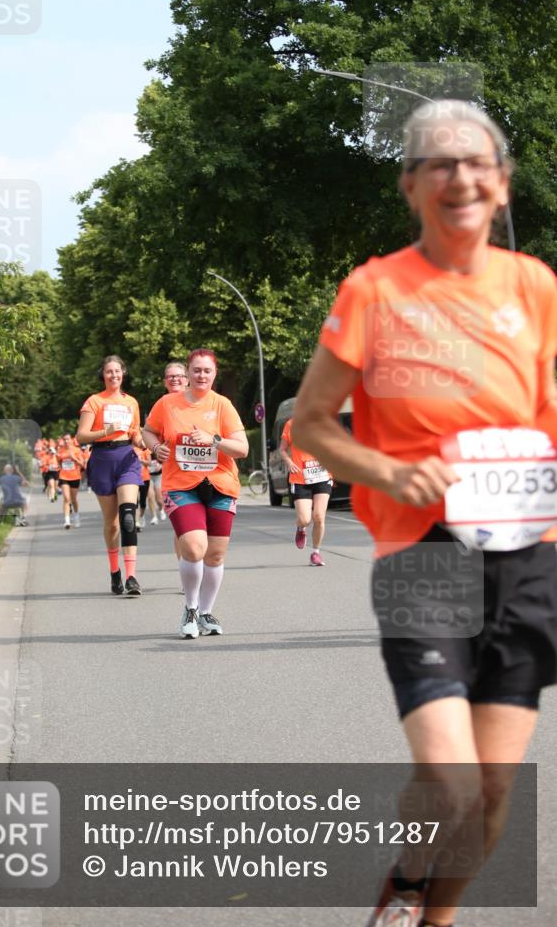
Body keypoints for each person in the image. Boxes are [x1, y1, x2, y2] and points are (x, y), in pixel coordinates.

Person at [292, 100, 557, 927]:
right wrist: (383, 472)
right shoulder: (373, 291)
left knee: (490, 802)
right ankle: (407, 884)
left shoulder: (535, 287)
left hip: (526, 558)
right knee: (450, 784)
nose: (459, 177)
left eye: (476, 162)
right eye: (437, 163)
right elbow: (305, 425)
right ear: (410, 185)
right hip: (422, 557)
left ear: (503, 183)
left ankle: (418, 915)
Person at [142, 349, 249, 638]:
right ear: (188, 373)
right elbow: (147, 431)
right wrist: (155, 448)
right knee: (193, 547)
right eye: (197, 370)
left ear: (215, 374)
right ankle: (190, 608)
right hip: (181, 484)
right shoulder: (168, 404)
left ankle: (206, 611)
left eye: (207, 371)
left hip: (221, 485)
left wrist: (214, 440)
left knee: (215, 555)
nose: (201, 375)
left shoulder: (223, 405)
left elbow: (242, 448)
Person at [77, 355, 145, 596]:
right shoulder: (94, 402)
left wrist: (142, 441)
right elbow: (81, 436)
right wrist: (104, 431)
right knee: (112, 524)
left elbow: (135, 432)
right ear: (103, 375)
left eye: (117, 371)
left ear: (123, 373)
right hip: (103, 459)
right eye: (109, 372)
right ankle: (115, 572)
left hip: (127, 457)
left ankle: (132, 577)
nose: (114, 375)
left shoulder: (132, 402)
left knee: (128, 516)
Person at [280, 416, 333, 566]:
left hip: (323, 476)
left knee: (319, 517)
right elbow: (282, 449)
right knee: (305, 519)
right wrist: (289, 462)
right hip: (300, 479)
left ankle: (316, 553)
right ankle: (301, 527)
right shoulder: (291, 425)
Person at [57, 433, 85, 529]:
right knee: (66, 498)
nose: (66, 441)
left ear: (71, 440)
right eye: (64, 439)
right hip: (64, 477)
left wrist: (74, 459)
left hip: (75, 477)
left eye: (68, 439)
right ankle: (67, 520)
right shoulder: (60, 451)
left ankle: (76, 516)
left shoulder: (77, 450)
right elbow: (59, 463)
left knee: (73, 500)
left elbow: (82, 464)